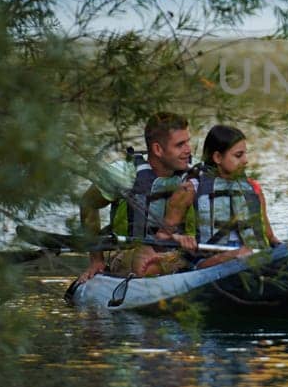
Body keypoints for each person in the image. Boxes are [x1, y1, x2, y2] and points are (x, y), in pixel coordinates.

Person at [76, 112, 200, 283]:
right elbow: (88, 203)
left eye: (188, 142)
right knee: (143, 260)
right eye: (180, 145)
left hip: (179, 250)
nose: (188, 150)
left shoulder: (194, 173)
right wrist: (96, 259)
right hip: (130, 253)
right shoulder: (123, 174)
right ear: (157, 149)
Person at [160, 124, 276, 256]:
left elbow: (270, 237)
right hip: (208, 261)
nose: (246, 160)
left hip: (253, 255)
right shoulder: (189, 190)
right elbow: (162, 236)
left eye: (245, 154)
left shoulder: (253, 188)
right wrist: (179, 238)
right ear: (218, 158)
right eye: (238, 155)